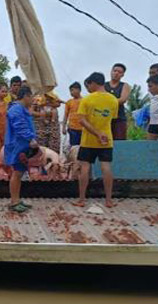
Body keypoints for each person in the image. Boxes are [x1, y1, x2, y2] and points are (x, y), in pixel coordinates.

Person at [75, 72, 119, 208]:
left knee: (85, 167)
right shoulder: (113, 100)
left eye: (89, 84)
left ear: (93, 83)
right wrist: (101, 133)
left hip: (88, 140)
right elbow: (112, 119)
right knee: (106, 166)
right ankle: (108, 200)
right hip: (107, 140)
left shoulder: (87, 100)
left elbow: (81, 120)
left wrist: (96, 133)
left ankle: (82, 200)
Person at [5, 86, 39, 213]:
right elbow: (20, 126)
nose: (33, 100)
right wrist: (31, 138)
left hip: (22, 146)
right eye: (32, 97)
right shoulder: (16, 109)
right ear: (26, 96)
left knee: (20, 173)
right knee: (17, 173)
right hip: (17, 145)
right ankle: (14, 202)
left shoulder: (22, 109)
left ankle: (17, 199)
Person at [105, 63, 130, 140]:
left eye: (119, 72)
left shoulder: (125, 85)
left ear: (122, 75)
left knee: (119, 142)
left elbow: (122, 100)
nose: (116, 73)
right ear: (111, 71)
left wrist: (106, 102)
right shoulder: (103, 85)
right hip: (105, 118)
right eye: (115, 70)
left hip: (119, 119)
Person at [63, 82, 84, 147]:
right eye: (70, 91)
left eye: (72, 90)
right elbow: (66, 115)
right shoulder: (69, 102)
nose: (71, 92)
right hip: (72, 129)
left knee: (83, 147)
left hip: (83, 129)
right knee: (73, 147)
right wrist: (63, 127)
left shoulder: (85, 101)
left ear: (79, 90)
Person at [146, 75, 158, 141]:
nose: (149, 89)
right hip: (153, 123)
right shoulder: (153, 96)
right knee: (149, 145)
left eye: (150, 86)